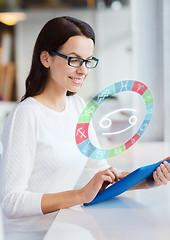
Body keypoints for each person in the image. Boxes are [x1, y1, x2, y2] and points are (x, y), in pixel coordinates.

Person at [0, 16, 170, 235]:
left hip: (66, 227)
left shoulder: (78, 107)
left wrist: (147, 181)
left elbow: (100, 173)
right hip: (34, 235)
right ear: (46, 58)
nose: (84, 70)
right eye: (74, 59)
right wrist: (79, 195)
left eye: (88, 60)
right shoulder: (26, 115)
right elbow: (11, 202)